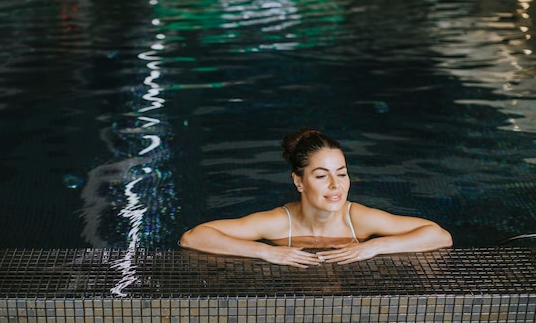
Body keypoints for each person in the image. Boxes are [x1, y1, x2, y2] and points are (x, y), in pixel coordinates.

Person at [179, 128, 453, 268]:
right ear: (298, 181)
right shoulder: (280, 223)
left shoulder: (357, 219)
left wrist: (375, 246)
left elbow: (440, 236)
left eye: (342, 174)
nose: (336, 185)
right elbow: (193, 237)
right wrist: (267, 252)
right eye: (321, 176)